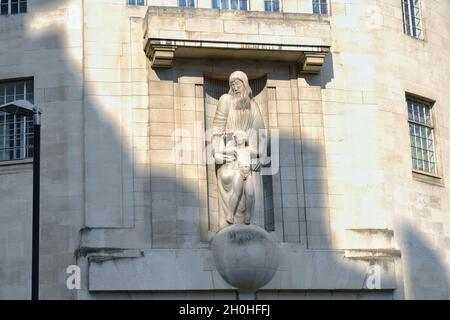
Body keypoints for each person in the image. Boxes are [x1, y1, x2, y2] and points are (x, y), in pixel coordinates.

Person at [211, 71, 265, 225]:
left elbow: (261, 132)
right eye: (232, 84)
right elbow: (217, 129)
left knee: (251, 194)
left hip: (248, 158)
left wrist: (259, 156)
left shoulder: (253, 106)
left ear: (245, 84)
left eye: (238, 83)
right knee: (235, 191)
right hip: (230, 155)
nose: (235, 87)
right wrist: (216, 152)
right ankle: (230, 219)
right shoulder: (225, 100)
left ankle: (250, 221)